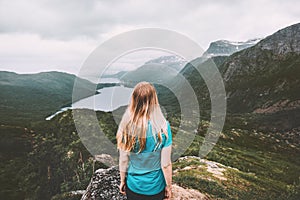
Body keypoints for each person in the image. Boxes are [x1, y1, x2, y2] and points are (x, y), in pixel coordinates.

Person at [116, 82, 173, 200]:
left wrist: (122, 181)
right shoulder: (163, 127)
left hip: (133, 187)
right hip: (156, 190)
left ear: (134, 101)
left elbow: (123, 159)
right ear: (154, 102)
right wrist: (168, 186)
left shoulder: (126, 126)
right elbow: (166, 164)